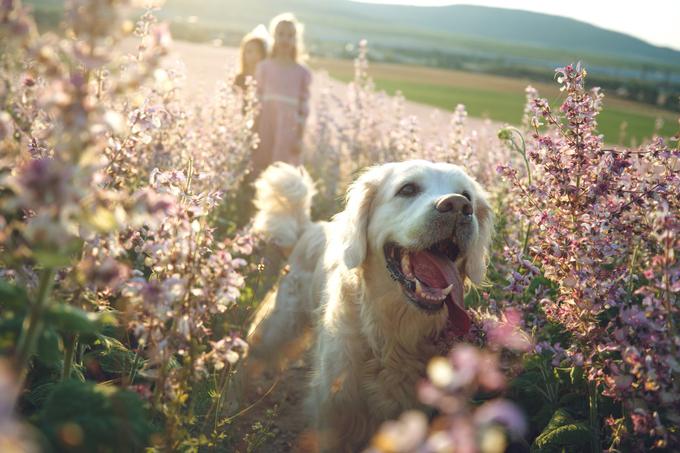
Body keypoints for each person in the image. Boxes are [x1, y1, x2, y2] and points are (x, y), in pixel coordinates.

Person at [252, 13, 312, 175]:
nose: (285, 39)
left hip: (288, 133)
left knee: (283, 174)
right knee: (261, 170)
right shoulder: (264, 67)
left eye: (290, 35)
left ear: (296, 40)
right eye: (280, 34)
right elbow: (256, 101)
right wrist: (252, 130)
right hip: (265, 128)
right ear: (273, 37)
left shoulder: (302, 72)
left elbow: (303, 110)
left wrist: (299, 137)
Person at [234, 25, 268, 92]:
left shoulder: (268, 78)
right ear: (243, 55)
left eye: (258, 51)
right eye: (249, 51)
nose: (254, 56)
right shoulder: (239, 79)